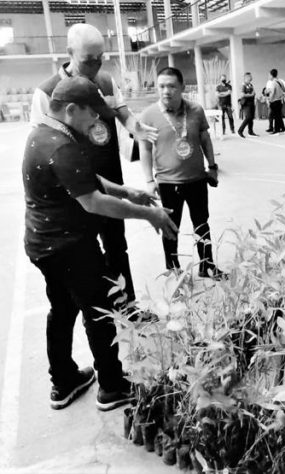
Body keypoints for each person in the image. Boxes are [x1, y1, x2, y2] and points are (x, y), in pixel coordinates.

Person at [23, 76, 178, 411]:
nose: (96, 121)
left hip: (42, 245)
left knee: (62, 310)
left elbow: (83, 177)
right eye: (92, 114)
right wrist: (147, 214)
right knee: (99, 312)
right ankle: (111, 385)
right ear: (71, 109)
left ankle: (62, 381)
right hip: (69, 248)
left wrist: (126, 190)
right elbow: (92, 201)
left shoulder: (45, 132)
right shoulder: (61, 145)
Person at [30, 24, 157, 314]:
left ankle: (128, 308)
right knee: (85, 257)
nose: (96, 65)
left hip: (108, 179)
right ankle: (103, 314)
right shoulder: (46, 93)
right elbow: (42, 145)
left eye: (101, 57)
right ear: (70, 53)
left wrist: (140, 130)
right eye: (89, 59)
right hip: (75, 192)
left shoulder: (106, 81)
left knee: (117, 248)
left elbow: (126, 117)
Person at [138, 68, 227, 279]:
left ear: (182, 88)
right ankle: (173, 269)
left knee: (202, 223)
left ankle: (207, 266)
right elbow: (145, 149)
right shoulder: (149, 115)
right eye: (161, 86)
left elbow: (205, 139)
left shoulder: (195, 110)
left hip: (197, 179)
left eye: (171, 86)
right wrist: (149, 181)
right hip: (168, 183)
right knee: (170, 227)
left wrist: (212, 167)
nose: (166, 91)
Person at [263, 69, 285, 134]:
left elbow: (273, 92)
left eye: (269, 75)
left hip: (274, 101)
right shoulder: (280, 81)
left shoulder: (273, 83)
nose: (268, 76)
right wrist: (282, 95)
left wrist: (269, 100)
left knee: (276, 116)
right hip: (280, 101)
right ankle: (283, 128)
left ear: (271, 75)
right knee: (279, 115)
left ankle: (276, 130)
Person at [237, 71, 258, 138]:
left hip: (251, 103)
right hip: (246, 104)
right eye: (250, 76)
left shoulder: (250, 85)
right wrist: (251, 94)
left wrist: (252, 94)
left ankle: (250, 131)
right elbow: (242, 94)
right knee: (248, 117)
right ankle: (240, 130)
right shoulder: (243, 85)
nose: (251, 78)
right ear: (246, 77)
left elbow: (254, 92)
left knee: (251, 118)